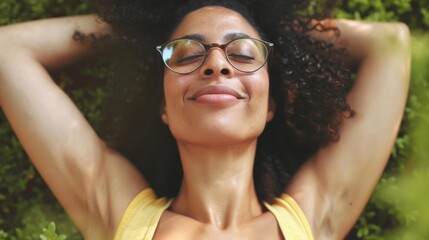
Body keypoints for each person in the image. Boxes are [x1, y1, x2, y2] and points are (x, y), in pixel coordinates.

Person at [0, 0, 411, 239]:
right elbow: (7, 50)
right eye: (187, 53)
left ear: (271, 105)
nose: (216, 63)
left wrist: (280, 32)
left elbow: (390, 43)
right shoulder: (120, 214)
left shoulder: (314, 219)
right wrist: (138, 31)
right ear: (163, 107)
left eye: (244, 53)